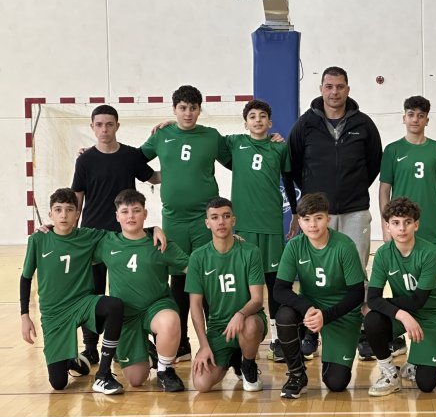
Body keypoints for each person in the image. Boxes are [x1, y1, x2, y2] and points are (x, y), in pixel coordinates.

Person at [287, 66, 382, 359]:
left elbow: (373, 163)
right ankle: (311, 331)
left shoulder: (364, 124)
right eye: (329, 86)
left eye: (340, 86)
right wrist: (312, 199)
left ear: (348, 89)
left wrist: (352, 188)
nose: (334, 92)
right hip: (318, 213)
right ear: (321, 89)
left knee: (357, 272)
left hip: (354, 210)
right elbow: (294, 164)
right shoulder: (305, 124)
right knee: (315, 273)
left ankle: (362, 330)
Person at [140, 85, 232, 362]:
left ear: (200, 110)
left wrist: (270, 142)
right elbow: (133, 160)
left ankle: (216, 340)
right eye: (182, 108)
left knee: (209, 276)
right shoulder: (162, 135)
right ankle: (181, 344)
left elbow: (239, 158)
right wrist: (156, 176)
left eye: (193, 108)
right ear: (174, 109)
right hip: (174, 219)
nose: (188, 113)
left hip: (205, 219)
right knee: (178, 279)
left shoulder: (211, 136)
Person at [72, 104, 160, 365]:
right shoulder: (85, 160)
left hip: (126, 236)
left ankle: (138, 342)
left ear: (117, 126)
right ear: (92, 127)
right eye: (99, 124)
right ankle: (91, 347)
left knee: (130, 292)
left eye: (109, 124)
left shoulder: (130, 155)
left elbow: (154, 178)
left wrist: (181, 160)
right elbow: (77, 200)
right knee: (93, 292)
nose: (104, 129)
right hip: (93, 237)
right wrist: (68, 233)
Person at [20, 188, 125, 394]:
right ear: (50, 214)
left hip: (82, 303)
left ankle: (103, 373)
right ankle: (71, 359)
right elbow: (25, 278)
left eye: (69, 210)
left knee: (114, 305)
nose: (63, 215)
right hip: (54, 313)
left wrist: (153, 229)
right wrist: (24, 315)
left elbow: (125, 235)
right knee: (58, 383)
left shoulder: (88, 236)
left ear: (77, 214)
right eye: (58, 210)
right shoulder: (38, 239)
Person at [379, 95, 436, 359]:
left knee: (434, 284)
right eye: (411, 114)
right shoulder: (393, 150)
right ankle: (399, 335)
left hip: (431, 227)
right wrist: (385, 225)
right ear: (404, 118)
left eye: (420, 115)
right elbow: (384, 189)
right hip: (400, 227)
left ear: (427, 120)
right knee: (399, 281)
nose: (415, 119)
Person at [93, 189, 189, 392]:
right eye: (125, 212)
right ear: (117, 216)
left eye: (136, 211)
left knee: (170, 320)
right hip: (126, 316)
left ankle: (165, 370)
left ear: (145, 214)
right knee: (136, 380)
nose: (131, 216)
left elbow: (192, 268)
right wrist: (49, 229)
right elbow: (72, 242)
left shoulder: (159, 243)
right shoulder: (106, 242)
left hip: (156, 306)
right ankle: (150, 352)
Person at [224, 99, 297, 363]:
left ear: (270, 122)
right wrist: (172, 124)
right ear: (245, 123)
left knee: (274, 282)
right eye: (252, 116)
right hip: (243, 226)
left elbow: (288, 180)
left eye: (262, 116)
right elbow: (202, 140)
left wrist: (295, 214)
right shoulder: (234, 143)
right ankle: (239, 336)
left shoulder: (279, 147)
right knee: (244, 283)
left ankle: (278, 338)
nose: (257, 120)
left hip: (270, 225)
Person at [273, 193, 365, 399]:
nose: (312, 225)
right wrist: (306, 308)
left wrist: (326, 316)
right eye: (306, 219)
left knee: (336, 383)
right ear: (299, 222)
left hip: (340, 312)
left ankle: (332, 352)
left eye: (318, 218)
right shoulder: (295, 246)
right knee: (285, 315)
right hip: (311, 308)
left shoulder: (344, 246)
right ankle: (297, 375)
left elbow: (357, 293)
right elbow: (280, 290)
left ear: (328, 219)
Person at [364, 197, 436, 396]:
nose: (402, 228)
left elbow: (418, 300)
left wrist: (384, 305)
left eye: (407, 222)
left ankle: (416, 361)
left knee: (426, 384)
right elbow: (373, 298)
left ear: (416, 225)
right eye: (396, 223)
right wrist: (402, 315)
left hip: (434, 314)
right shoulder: (383, 254)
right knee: (372, 320)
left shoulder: (430, 253)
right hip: (405, 311)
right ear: (387, 226)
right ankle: (389, 374)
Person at [185, 197, 266, 392]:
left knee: (250, 324)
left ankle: (248, 364)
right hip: (219, 328)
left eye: (226, 216)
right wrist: (204, 345)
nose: (221, 222)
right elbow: (195, 305)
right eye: (215, 217)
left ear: (233, 220)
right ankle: (233, 357)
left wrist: (240, 314)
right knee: (201, 384)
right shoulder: (198, 257)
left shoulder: (251, 252)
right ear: (207, 223)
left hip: (248, 320)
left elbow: (257, 299)